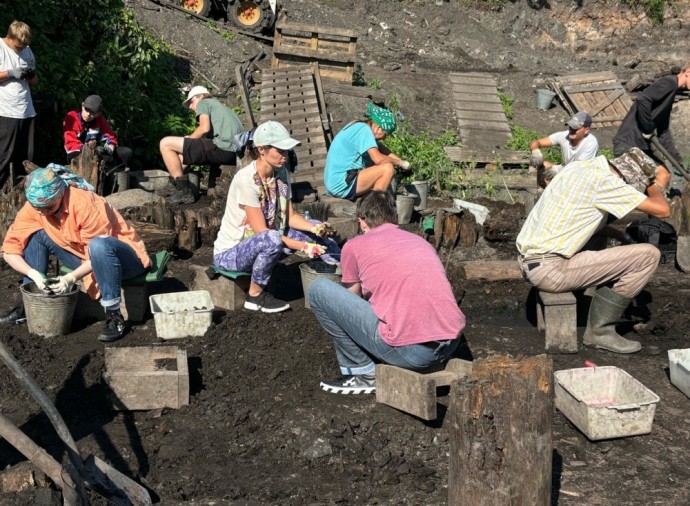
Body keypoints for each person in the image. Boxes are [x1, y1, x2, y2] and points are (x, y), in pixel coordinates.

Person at [307, 191, 466, 394]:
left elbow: (352, 302)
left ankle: (363, 372)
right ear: (395, 217)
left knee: (318, 289)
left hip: (410, 352)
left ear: (362, 222)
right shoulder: (421, 242)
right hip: (450, 344)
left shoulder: (353, 246)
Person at [516, 148, 671, 354]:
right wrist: (651, 183)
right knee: (649, 255)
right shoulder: (606, 182)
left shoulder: (578, 168)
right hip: (550, 270)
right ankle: (600, 333)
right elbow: (663, 210)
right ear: (629, 178)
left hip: (529, 260)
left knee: (600, 231)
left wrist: (621, 236)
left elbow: (584, 220)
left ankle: (584, 301)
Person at [0, 165, 151, 342]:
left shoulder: (84, 204)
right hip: (85, 258)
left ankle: (113, 315)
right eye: (38, 208)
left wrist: (70, 278)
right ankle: (30, 304)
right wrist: (33, 274)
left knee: (99, 245)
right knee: (34, 234)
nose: (43, 212)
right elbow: (9, 250)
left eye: (48, 207)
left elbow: (98, 251)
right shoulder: (34, 208)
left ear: (60, 193)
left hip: (123, 261)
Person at [213, 121, 340, 313]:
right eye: (280, 151)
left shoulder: (281, 173)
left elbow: (291, 216)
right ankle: (254, 296)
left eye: (286, 151)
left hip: (267, 240)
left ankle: (341, 276)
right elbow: (262, 233)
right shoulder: (246, 180)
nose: (285, 156)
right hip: (231, 253)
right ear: (261, 149)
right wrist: (304, 246)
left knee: (316, 227)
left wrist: (315, 229)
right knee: (271, 238)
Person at [159, 85, 245, 205]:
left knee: (165, 143)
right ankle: (173, 184)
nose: (190, 107)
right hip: (233, 152)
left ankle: (183, 191)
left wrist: (189, 139)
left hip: (223, 147)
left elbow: (204, 128)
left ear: (199, 97)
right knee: (184, 156)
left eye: (191, 102)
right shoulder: (221, 108)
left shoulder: (203, 103)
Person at [613, 65, 690, 182]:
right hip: (629, 141)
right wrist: (648, 127)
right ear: (688, 72)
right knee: (633, 183)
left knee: (663, 175)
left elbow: (663, 132)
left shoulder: (670, 92)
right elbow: (643, 99)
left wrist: (678, 162)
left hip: (644, 145)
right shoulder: (669, 82)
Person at [324, 103, 410, 200]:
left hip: (334, 183)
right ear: (378, 128)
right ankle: (373, 208)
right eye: (385, 135)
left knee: (382, 171)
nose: (384, 138)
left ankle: (376, 203)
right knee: (387, 168)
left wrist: (402, 162)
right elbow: (378, 159)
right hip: (340, 184)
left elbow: (381, 148)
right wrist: (399, 163)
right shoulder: (364, 130)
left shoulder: (359, 127)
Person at [0, 20, 38, 188]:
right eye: (19, 46)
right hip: (6, 110)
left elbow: (35, 82)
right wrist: (10, 73)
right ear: (9, 37)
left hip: (27, 110)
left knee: (25, 159)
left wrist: (30, 74)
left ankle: (21, 193)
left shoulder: (27, 50)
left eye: (24, 46)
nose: (22, 49)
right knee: (4, 156)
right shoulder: (1, 48)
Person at [62, 95, 133, 168]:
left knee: (126, 153)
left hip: (96, 153)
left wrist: (110, 148)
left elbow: (111, 136)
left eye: (92, 112)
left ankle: (114, 175)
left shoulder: (100, 119)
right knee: (79, 157)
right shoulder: (71, 117)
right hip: (77, 152)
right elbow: (70, 142)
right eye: (87, 109)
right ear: (82, 106)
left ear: (98, 114)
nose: (88, 114)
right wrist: (91, 150)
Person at [529, 111, 599, 185]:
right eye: (571, 126)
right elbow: (536, 142)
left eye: (576, 128)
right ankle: (540, 190)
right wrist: (535, 151)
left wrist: (559, 170)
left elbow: (578, 170)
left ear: (586, 130)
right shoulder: (565, 135)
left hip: (583, 177)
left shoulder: (590, 143)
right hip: (567, 169)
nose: (572, 130)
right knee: (541, 165)